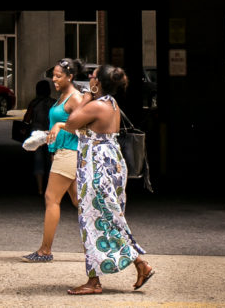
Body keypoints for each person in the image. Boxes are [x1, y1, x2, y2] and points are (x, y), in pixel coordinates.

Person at [62, 64, 155, 295]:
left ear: (99, 83)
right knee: (109, 219)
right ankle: (138, 265)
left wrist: (85, 97)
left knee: (93, 222)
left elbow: (72, 121)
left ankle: (95, 282)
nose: (89, 79)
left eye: (92, 77)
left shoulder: (95, 105)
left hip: (96, 169)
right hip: (109, 164)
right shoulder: (111, 104)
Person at [22, 58, 84, 263]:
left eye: (58, 76)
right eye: (53, 75)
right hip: (61, 152)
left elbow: (84, 127)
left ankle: (44, 251)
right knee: (80, 202)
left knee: (51, 199)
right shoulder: (62, 97)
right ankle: (101, 242)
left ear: (70, 77)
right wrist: (47, 135)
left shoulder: (75, 98)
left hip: (69, 152)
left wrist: (59, 126)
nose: (53, 79)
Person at [23, 79, 54, 195]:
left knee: (38, 160)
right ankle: (50, 187)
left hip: (36, 134)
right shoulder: (54, 103)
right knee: (51, 160)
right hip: (51, 134)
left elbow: (26, 119)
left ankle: (40, 189)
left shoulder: (34, 103)